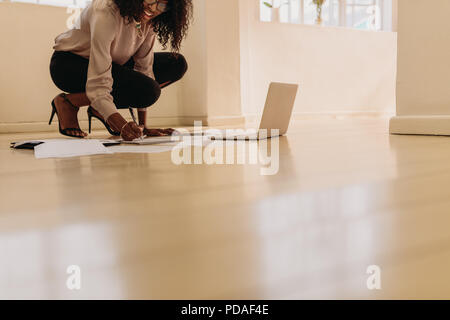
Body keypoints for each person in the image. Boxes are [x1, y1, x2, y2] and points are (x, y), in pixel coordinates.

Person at [49, 0, 192, 141]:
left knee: (176, 64)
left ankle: (101, 107)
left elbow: (144, 68)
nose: (154, 7)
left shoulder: (148, 20)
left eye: (162, 4)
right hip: (69, 65)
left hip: (112, 65)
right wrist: (120, 123)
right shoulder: (106, 10)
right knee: (149, 90)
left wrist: (142, 127)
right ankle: (69, 102)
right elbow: (99, 80)